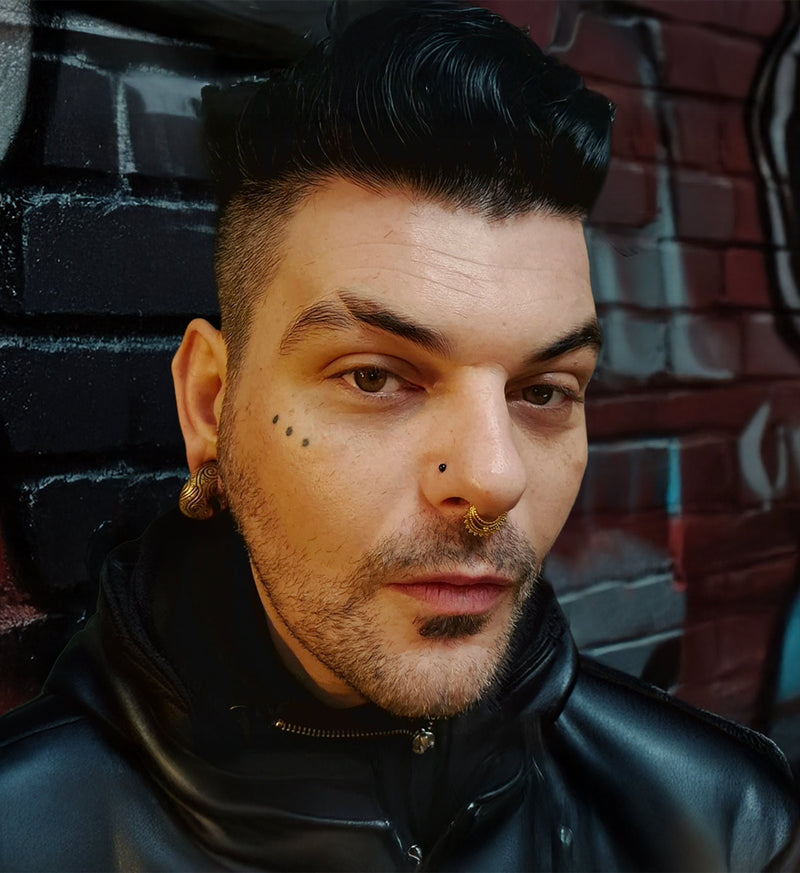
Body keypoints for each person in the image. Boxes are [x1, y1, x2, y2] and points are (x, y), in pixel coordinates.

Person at [0, 2, 797, 870]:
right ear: (209, 405)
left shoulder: (719, 822)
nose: (492, 477)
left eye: (541, 390)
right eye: (375, 377)